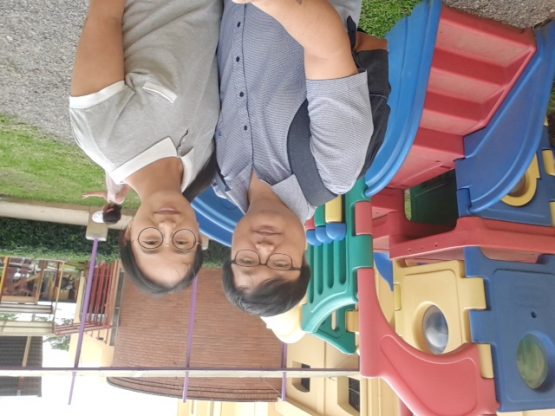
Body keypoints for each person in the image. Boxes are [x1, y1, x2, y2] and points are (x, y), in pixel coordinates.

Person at [214, 0, 390, 316]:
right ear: (304, 254)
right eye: (281, 263)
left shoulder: (220, 176)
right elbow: (328, 49)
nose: (264, 248)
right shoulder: (331, 170)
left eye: (248, 260)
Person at [69, 0, 221, 294]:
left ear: (128, 234)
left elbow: (105, 14)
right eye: (182, 242)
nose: (168, 226)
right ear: (198, 237)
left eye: (151, 241)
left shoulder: (101, 134)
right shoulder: (205, 163)